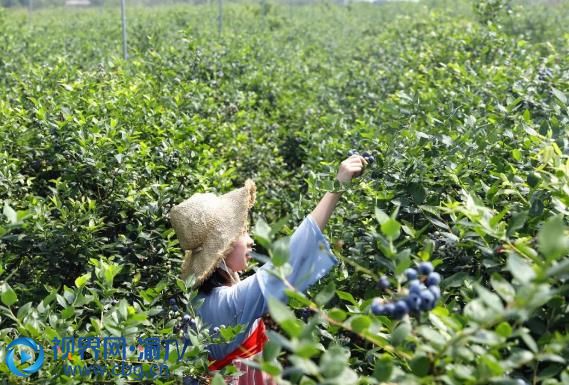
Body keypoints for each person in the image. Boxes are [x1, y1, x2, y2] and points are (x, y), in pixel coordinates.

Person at [169, 154, 368, 384]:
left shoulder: (194, 302)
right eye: (243, 232)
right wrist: (338, 185)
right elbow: (293, 257)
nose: (251, 240)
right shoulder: (230, 302)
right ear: (222, 250)